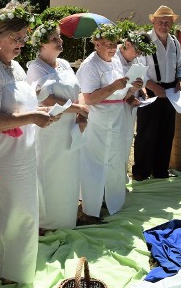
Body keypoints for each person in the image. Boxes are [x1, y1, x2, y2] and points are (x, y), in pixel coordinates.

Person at [0, 1, 59, 285]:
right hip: (1, 157)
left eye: (24, 37)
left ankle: (20, 267)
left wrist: (41, 112)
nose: (21, 43)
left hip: (23, 154)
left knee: (24, 212)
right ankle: (1, 270)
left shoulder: (17, 68)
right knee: (5, 214)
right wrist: (32, 118)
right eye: (15, 38)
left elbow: (22, 108)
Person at [26, 21, 88, 229]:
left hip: (70, 128)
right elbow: (47, 100)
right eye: (54, 39)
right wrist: (77, 110)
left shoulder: (64, 64)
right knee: (49, 172)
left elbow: (78, 89)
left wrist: (81, 113)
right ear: (41, 45)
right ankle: (47, 221)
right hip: (50, 129)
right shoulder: (35, 69)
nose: (60, 41)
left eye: (59, 37)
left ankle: (67, 217)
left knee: (68, 173)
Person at [77, 24, 143, 219]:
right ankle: (90, 208)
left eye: (114, 44)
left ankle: (112, 200)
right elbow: (88, 98)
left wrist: (132, 88)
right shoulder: (90, 65)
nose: (112, 48)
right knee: (96, 162)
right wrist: (114, 86)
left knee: (115, 158)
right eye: (107, 44)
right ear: (96, 44)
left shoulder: (115, 61)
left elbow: (121, 94)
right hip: (98, 119)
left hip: (116, 115)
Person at [133, 5, 181, 181]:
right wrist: (154, 87)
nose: (164, 25)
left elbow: (180, 64)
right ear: (153, 21)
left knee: (166, 133)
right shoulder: (144, 41)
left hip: (170, 92)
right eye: (160, 21)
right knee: (146, 133)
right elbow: (138, 69)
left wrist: (179, 79)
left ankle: (160, 171)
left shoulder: (175, 42)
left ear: (172, 23)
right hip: (149, 91)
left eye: (167, 22)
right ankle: (141, 172)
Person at [116, 31, 155, 177]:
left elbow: (140, 78)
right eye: (137, 51)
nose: (138, 55)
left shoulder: (136, 59)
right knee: (115, 144)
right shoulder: (113, 58)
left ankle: (120, 178)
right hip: (114, 107)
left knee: (126, 142)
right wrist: (131, 97)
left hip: (129, 108)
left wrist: (143, 93)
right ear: (127, 44)